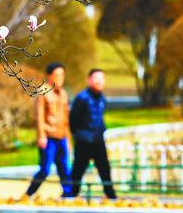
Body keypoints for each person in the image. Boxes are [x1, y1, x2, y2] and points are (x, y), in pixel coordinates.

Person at [66, 68, 117, 199]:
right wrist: (78, 135)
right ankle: (71, 194)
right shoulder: (82, 98)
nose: (99, 81)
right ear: (89, 80)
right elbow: (73, 119)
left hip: (98, 140)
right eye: (96, 78)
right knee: (78, 168)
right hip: (84, 140)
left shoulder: (102, 98)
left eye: (102, 78)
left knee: (104, 168)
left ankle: (110, 194)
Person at [24, 62, 72, 198]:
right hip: (48, 136)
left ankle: (68, 194)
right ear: (50, 76)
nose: (60, 78)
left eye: (62, 75)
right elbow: (39, 116)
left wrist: (68, 139)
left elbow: (66, 119)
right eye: (57, 75)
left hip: (62, 137)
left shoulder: (63, 94)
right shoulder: (43, 91)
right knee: (45, 169)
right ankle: (29, 193)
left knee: (65, 168)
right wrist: (41, 136)